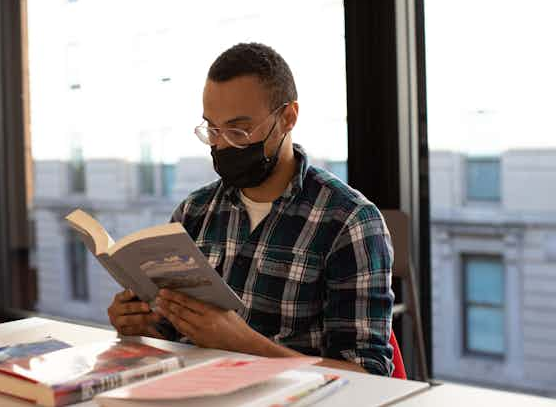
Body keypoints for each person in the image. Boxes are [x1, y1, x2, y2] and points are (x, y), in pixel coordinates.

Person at [107, 43, 394, 376]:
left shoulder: (349, 222)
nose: (223, 144)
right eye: (212, 130)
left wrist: (245, 343)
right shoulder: (194, 212)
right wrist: (138, 328)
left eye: (239, 130)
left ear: (288, 118)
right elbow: (172, 337)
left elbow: (368, 377)